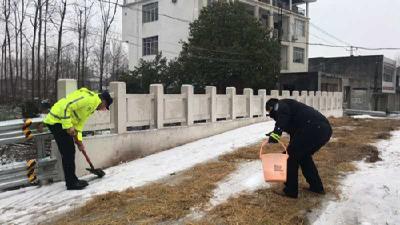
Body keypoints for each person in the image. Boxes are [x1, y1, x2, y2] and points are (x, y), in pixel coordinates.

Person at [44, 88, 113, 190]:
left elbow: (79, 125)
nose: (103, 109)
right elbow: (66, 106)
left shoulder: (92, 106)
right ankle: (71, 183)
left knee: (69, 151)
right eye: (105, 107)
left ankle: (72, 180)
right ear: (103, 101)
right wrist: (68, 126)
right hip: (56, 121)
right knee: (68, 152)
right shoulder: (89, 100)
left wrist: (79, 141)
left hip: (61, 122)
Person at [265, 98, 332, 198]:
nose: (271, 116)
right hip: (323, 130)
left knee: (290, 157)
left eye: (269, 112)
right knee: (303, 157)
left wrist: (276, 134)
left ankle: (291, 191)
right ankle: (316, 187)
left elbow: (283, 115)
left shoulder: (280, 104)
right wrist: (276, 133)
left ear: (271, 107)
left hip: (314, 128)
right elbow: (296, 136)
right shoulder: (293, 112)